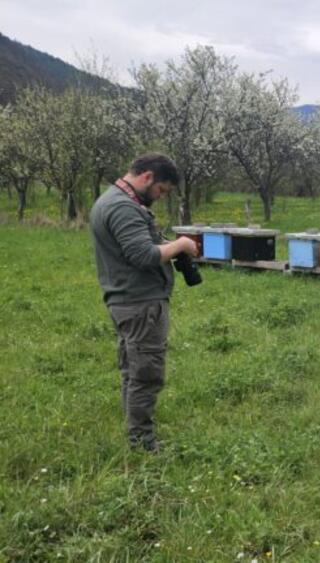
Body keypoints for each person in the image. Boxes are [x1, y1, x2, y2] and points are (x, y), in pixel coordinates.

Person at [89, 153, 198, 453]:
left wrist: (166, 246)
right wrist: (180, 244)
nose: (160, 196)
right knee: (146, 375)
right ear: (148, 176)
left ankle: (135, 428)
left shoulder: (111, 200)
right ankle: (142, 443)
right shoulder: (122, 208)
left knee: (132, 369)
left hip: (127, 300)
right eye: (161, 189)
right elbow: (143, 255)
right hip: (140, 304)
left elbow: (136, 248)